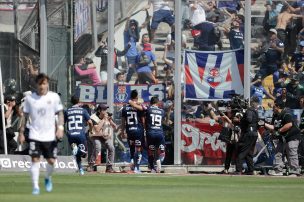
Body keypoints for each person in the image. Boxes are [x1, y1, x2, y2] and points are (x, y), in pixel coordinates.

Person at [18, 73, 64, 195]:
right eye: (40, 84)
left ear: (47, 84)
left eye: (44, 83)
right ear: (36, 85)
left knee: (51, 161)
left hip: (49, 135)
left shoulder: (54, 97)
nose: (42, 86)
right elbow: (24, 116)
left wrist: (60, 128)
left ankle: (47, 178)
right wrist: (21, 132)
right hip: (34, 134)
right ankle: (35, 186)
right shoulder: (30, 99)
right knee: (35, 160)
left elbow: (60, 114)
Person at [264, 99, 301, 176]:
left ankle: (294, 171)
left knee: (291, 152)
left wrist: (279, 131)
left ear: (278, 107)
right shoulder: (276, 115)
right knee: (278, 152)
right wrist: (264, 124)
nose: (272, 108)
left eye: (274, 106)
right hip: (283, 137)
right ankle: (278, 170)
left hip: (292, 136)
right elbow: (274, 127)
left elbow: (289, 124)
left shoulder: (286, 113)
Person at [64, 95, 93, 175]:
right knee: (84, 153)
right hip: (80, 134)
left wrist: (65, 132)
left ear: (71, 102)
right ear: (79, 101)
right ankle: (79, 150)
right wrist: (90, 130)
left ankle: (80, 169)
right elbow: (90, 122)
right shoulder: (83, 111)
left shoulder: (67, 111)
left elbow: (62, 123)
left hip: (71, 134)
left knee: (77, 155)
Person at [120, 90, 145, 173]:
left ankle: (131, 163)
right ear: (137, 97)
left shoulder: (124, 108)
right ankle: (136, 168)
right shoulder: (138, 107)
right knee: (138, 149)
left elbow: (123, 122)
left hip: (129, 131)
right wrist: (145, 129)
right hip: (138, 130)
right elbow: (143, 120)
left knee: (131, 148)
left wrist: (123, 132)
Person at [235, 96, 260, 175]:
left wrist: (242, 118)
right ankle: (251, 169)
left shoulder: (249, 111)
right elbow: (258, 122)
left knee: (242, 151)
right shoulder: (256, 111)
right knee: (249, 153)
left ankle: (238, 170)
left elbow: (249, 119)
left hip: (249, 133)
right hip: (254, 133)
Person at [89, 104, 117, 173]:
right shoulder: (93, 117)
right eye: (104, 110)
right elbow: (97, 129)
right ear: (99, 110)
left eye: (106, 109)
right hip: (95, 136)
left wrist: (111, 121)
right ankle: (91, 165)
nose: (105, 111)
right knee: (98, 146)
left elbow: (115, 127)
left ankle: (109, 167)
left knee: (111, 147)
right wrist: (104, 119)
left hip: (104, 137)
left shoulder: (107, 117)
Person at [145, 96, 165, 173]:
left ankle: (152, 168)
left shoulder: (148, 109)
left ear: (151, 102)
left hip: (150, 132)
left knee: (151, 151)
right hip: (159, 133)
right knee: (162, 151)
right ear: (157, 102)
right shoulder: (162, 111)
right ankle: (158, 161)